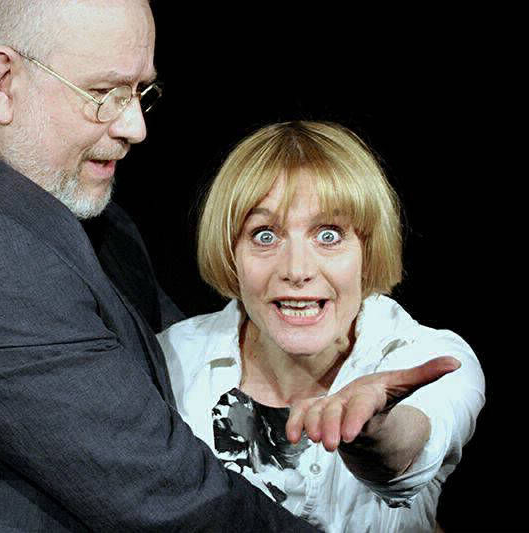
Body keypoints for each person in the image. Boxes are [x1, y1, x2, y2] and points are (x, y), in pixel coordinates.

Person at [0, 1, 318, 531]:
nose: (135, 126)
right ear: (3, 82)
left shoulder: (48, 195)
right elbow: (165, 495)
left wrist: (350, 363)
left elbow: (187, 357)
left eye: (140, 91)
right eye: (104, 93)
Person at [157, 121, 485, 532]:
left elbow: (411, 450)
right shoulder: (168, 360)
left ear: (367, 249)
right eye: (264, 235)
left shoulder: (430, 358)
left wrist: (373, 434)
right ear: (230, 251)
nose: (297, 270)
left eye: (329, 235)